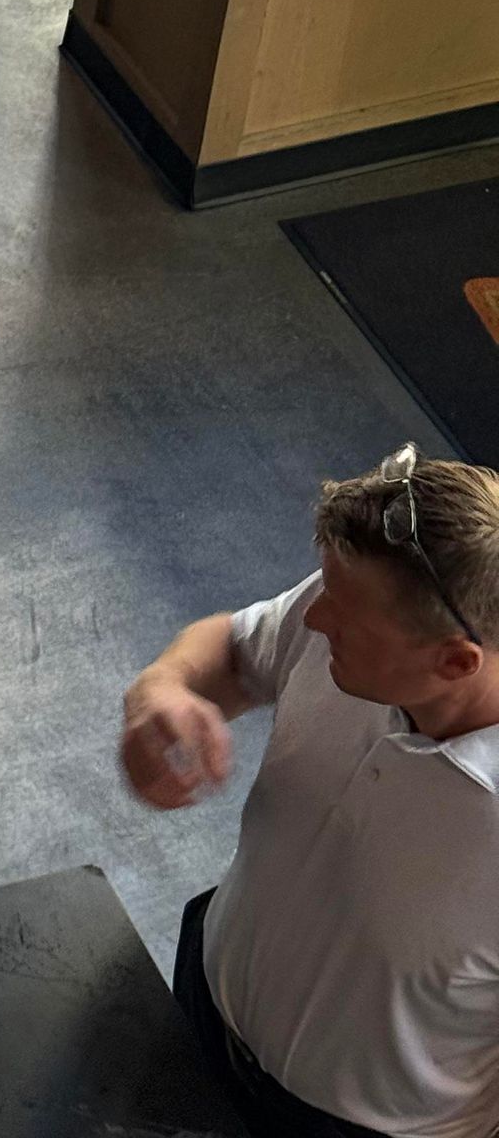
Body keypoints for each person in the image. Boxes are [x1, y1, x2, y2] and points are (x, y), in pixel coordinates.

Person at [118, 445, 499, 1138]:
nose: (316, 620)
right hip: (202, 1004)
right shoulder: (352, 613)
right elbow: (234, 649)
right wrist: (159, 691)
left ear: (455, 661)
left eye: (342, 615)